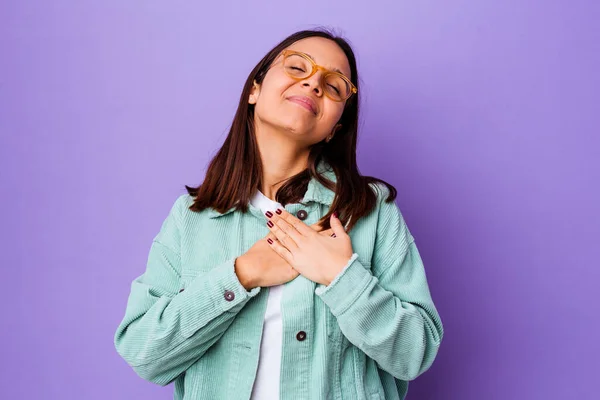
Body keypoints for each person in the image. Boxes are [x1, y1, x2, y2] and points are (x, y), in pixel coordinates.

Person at [114, 28, 444, 400]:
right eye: (297, 66)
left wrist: (341, 276)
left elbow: (415, 354)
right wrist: (242, 275)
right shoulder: (191, 217)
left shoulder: (372, 211)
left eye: (334, 86)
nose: (314, 83)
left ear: (335, 127)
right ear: (255, 88)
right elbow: (143, 354)